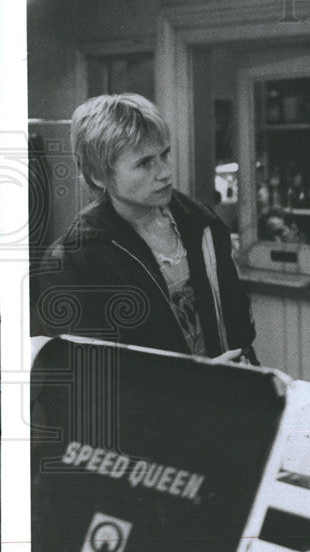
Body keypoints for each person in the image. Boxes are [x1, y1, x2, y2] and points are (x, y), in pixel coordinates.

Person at [32, 93, 258, 363]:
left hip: (227, 396)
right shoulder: (75, 259)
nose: (164, 172)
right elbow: (94, 375)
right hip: (162, 402)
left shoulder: (201, 224)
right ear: (98, 176)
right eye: (144, 163)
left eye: (164, 155)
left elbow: (239, 328)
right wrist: (198, 381)